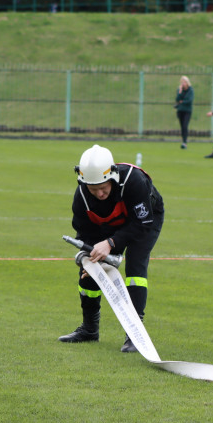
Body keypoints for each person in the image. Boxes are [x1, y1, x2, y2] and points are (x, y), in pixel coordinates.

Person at [60, 144, 165, 353]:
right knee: (89, 271)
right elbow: (83, 232)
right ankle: (89, 329)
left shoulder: (134, 181)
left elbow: (142, 223)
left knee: (135, 269)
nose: (99, 193)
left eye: (103, 187)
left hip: (145, 221)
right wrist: (88, 258)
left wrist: (110, 243)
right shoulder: (81, 197)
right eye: (93, 189)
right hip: (110, 223)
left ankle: (135, 335)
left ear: (112, 177)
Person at [174, 76, 193, 149]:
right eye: (182, 82)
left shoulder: (190, 90)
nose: (183, 84)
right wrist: (180, 92)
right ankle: (183, 141)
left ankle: (185, 142)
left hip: (187, 111)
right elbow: (177, 99)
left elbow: (189, 100)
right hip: (180, 110)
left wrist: (182, 101)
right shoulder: (179, 90)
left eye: (184, 82)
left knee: (185, 125)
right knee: (182, 127)